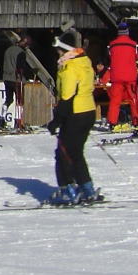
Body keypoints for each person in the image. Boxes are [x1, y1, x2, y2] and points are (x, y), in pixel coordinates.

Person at [49, 30, 100, 205]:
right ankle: (87, 188)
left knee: (62, 154)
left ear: (65, 51)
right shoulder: (85, 63)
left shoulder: (69, 68)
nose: (57, 53)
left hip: (75, 114)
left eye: (59, 50)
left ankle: (67, 190)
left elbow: (67, 98)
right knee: (76, 153)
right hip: (88, 112)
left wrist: (56, 121)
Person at [106, 23, 138, 130]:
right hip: (130, 76)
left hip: (116, 76)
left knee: (115, 101)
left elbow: (109, 55)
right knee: (134, 99)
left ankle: (112, 122)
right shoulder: (133, 45)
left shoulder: (112, 45)